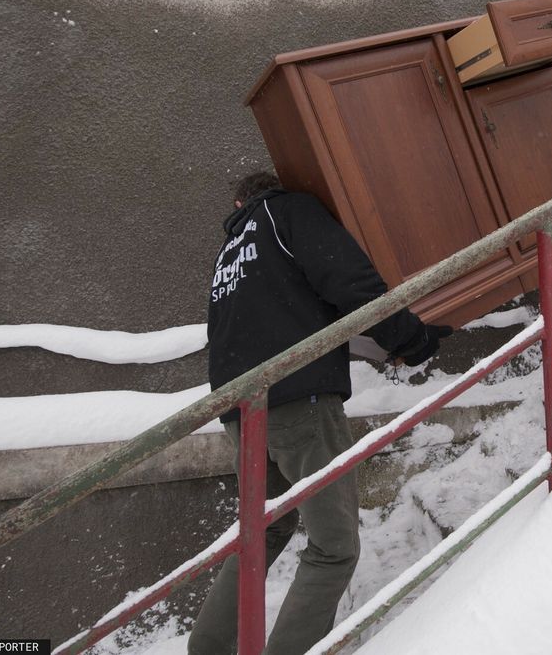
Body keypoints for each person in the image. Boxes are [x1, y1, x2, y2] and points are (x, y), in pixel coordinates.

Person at [189, 171, 451, 655]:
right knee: (334, 547)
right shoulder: (288, 212)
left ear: (239, 200)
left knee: (261, 537)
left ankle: (205, 650)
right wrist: (411, 339)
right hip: (299, 401)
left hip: (241, 414)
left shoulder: (229, 252)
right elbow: (350, 281)